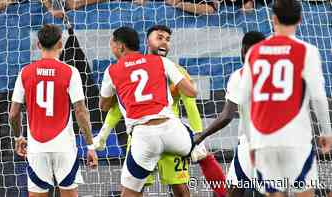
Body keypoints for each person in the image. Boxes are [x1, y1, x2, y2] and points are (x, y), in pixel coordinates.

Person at [95, 25, 227, 197]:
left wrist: (199, 133)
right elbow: (116, 110)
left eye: (167, 39)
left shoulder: (121, 70)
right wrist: (197, 138)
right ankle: (223, 188)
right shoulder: (162, 64)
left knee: (175, 187)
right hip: (170, 132)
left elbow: (191, 104)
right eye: (159, 37)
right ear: (146, 42)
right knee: (199, 156)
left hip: (145, 135)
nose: (164, 42)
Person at [239, 0, 332, 196]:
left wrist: (251, 141)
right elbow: (318, 97)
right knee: (305, 191)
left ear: (273, 19)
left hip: (264, 141)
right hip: (295, 139)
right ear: (300, 19)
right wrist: (327, 132)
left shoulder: (254, 52)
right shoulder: (307, 51)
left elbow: (244, 102)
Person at [9, 24, 98, 197]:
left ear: (38, 45)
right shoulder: (70, 72)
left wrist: (18, 137)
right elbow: (81, 112)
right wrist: (90, 146)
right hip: (64, 147)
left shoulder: (25, 72)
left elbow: (13, 113)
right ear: (60, 44)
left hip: (36, 148)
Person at [194, 31, 266, 197]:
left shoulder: (240, 76)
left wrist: (201, 136)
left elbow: (227, 116)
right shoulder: (279, 75)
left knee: (231, 191)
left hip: (252, 144)